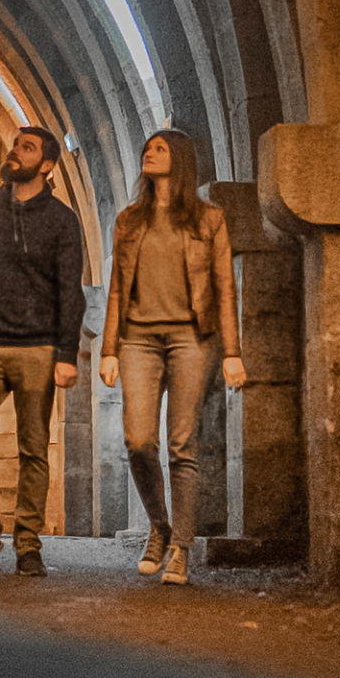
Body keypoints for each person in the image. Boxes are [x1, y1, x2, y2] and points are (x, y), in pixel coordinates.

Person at [99, 129, 244, 586]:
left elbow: (224, 287)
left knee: (183, 445)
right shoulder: (129, 220)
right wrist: (107, 349)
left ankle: (181, 545)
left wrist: (232, 352)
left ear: (179, 160)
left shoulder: (209, 219)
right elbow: (117, 289)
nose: (149, 153)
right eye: (147, 148)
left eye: (160, 149)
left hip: (191, 339)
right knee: (138, 442)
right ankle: (158, 526)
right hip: (137, 340)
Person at [0, 127, 84, 576]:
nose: (15, 152)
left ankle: (28, 543)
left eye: (27, 148)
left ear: (46, 165)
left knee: (33, 450)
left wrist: (66, 353)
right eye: (15, 145)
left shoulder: (62, 221)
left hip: (38, 347)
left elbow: (70, 292)